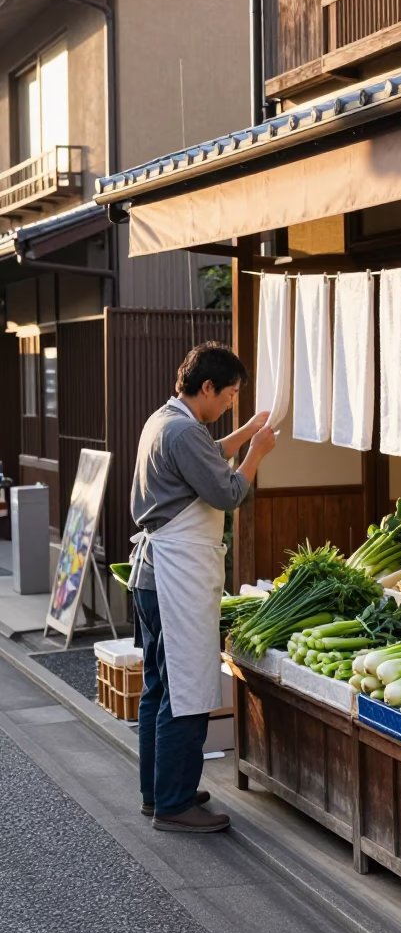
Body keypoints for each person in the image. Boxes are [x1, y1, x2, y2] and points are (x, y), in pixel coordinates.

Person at [128, 342, 275, 834]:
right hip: (176, 578)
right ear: (206, 387)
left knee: (158, 688)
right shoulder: (184, 432)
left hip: (153, 579)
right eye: (230, 394)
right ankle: (174, 804)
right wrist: (257, 452)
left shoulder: (162, 421)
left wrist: (246, 432)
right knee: (186, 691)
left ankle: (159, 792)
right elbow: (227, 491)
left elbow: (206, 457)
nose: (232, 402)